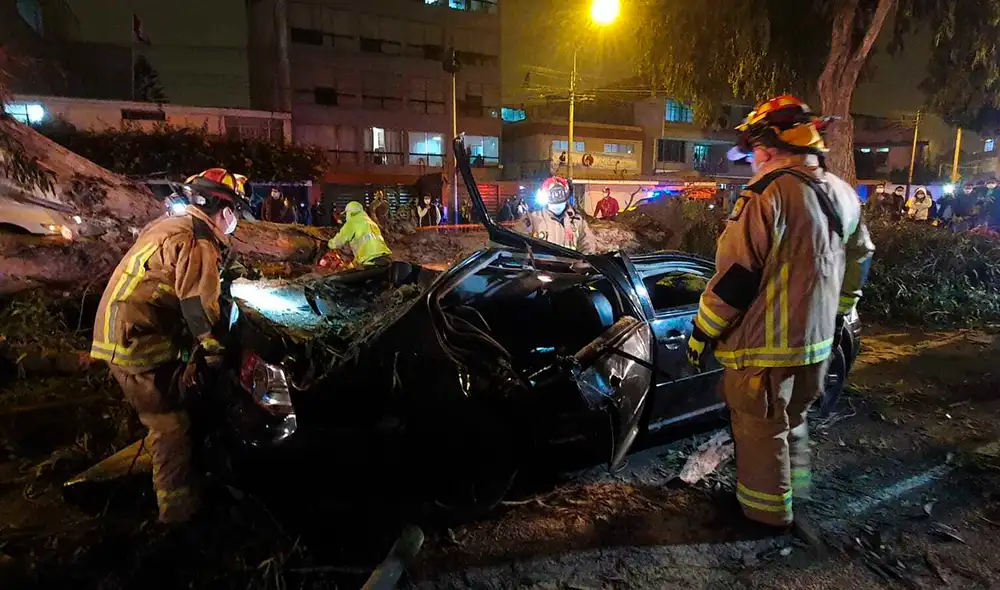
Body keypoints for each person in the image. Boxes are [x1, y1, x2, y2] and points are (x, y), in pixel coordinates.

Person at [688, 95, 875, 533]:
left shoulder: (765, 196)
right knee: (794, 422)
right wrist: (841, 311)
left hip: (765, 354)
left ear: (768, 149)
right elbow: (860, 257)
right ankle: (797, 491)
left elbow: (734, 280)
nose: (753, 161)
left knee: (761, 431)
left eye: (754, 152)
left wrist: (702, 333)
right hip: (818, 345)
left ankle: (764, 516)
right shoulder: (843, 194)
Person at [91, 168, 249, 525]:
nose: (235, 220)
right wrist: (213, 351)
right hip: (136, 342)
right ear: (225, 212)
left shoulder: (168, 225)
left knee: (182, 402)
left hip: (123, 331)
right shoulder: (198, 240)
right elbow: (195, 306)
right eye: (236, 212)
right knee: (170, 425)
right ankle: (177, 517)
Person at [523, 176, 598, 254]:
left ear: (566, 197)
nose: (557, 207)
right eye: (554, 203)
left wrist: (581, 264)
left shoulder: (577, 222)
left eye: (560, 202)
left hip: (569, 265)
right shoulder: (532, 219)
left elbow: (588, 248)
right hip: (541, 265)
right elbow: (519, 244)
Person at [327, 201, 392, 267]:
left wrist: (330, 244)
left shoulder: (352, 223)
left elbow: (339, 240)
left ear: (350, 213)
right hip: (384, 255)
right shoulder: (371, 222)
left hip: (369, 258)